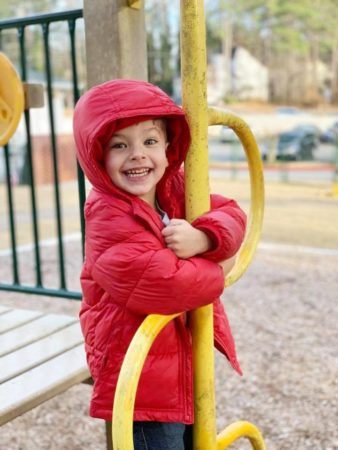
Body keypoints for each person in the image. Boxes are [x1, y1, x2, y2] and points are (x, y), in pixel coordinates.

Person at [73, 79, 246, 450]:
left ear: (169, 147)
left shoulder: (174, 189)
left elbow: (231, 212)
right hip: (141, 381)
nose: (137, 155)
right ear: (97, 155)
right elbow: (167, 285)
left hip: (178, 365)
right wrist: (221, 265)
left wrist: (204, 239)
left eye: (150, 141)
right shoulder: (107, 216)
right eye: (120, 145)